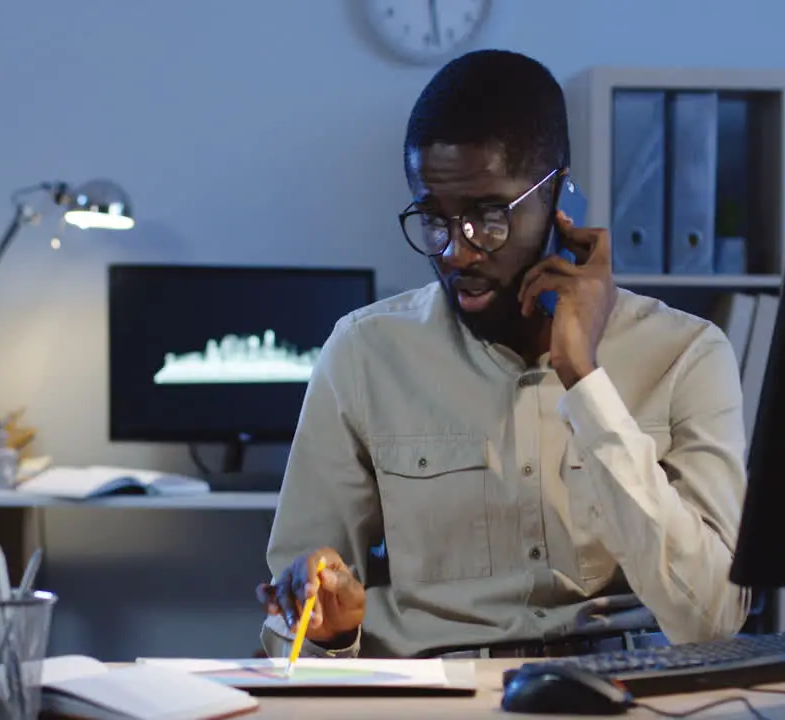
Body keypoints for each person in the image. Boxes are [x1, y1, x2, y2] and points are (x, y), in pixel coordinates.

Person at [255, 49, 750, 659]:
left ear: (560, 199)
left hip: (628, 687)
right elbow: (288, 637)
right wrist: (325, 628)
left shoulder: (687, 354)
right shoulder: (364, 355)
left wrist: (584, 379)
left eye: (488, 218)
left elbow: (712, 620)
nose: (455, 252)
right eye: (434, 219)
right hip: (438, 693)